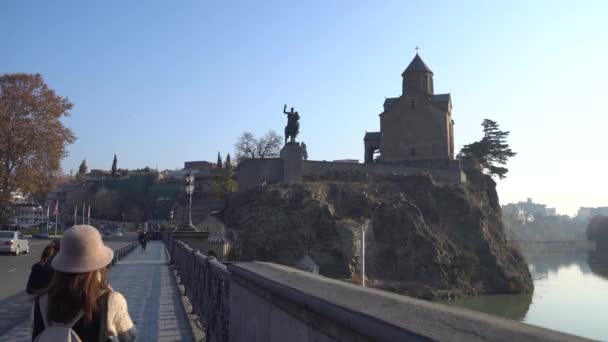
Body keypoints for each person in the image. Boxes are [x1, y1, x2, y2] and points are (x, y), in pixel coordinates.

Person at [31, 225, 137, 342]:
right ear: (99, 265)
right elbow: (129, 337)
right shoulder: (110, 301)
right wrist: (110, 294)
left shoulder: (42, 301)